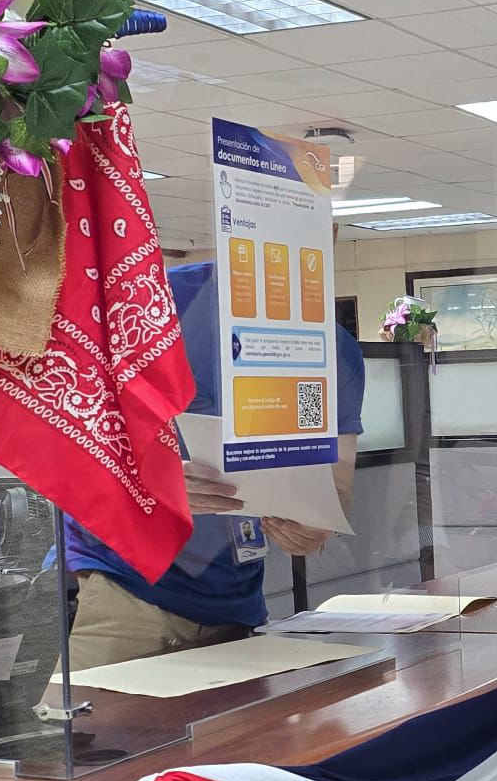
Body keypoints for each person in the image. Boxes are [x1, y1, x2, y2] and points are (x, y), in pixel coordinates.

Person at [63, 262, 363, 670]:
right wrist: (153, 482)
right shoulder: (155, 303)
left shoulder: (335, 353)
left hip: (237, 605)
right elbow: (66, 439)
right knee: (106, 712)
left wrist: (313, 529)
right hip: (127, 590)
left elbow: (336, 490)